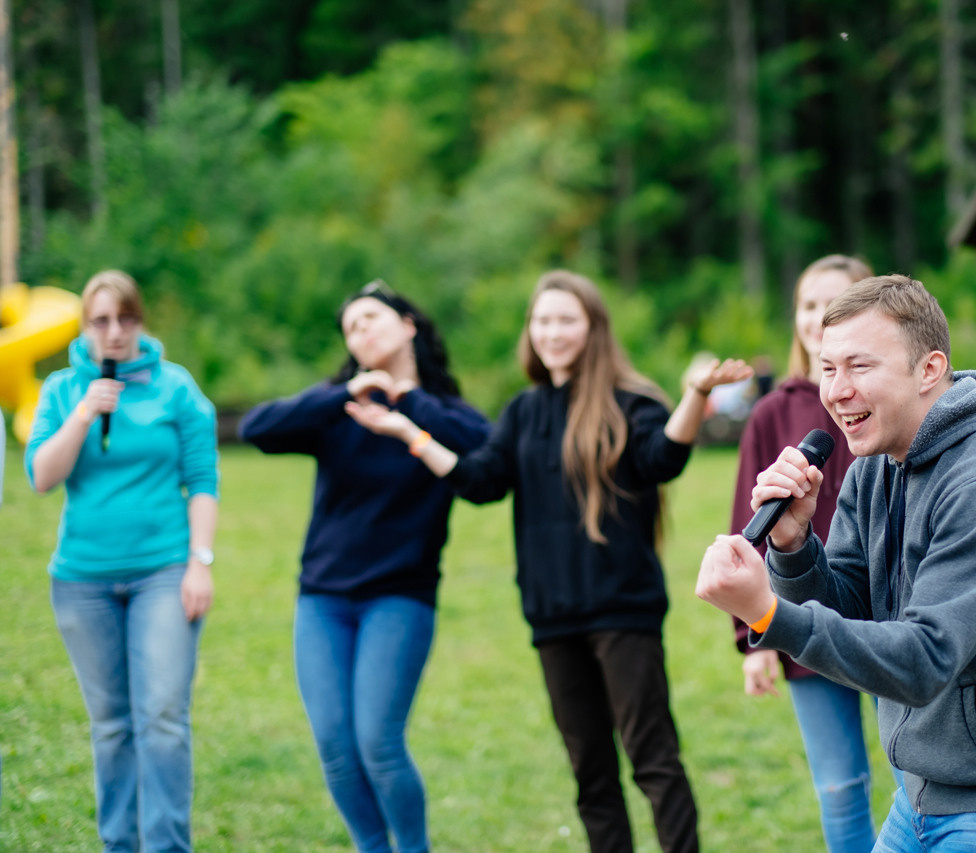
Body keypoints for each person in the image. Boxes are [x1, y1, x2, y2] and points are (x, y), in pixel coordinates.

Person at [697, 274, 976, 852]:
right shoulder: (877, 463)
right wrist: (792, 549)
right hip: (924, 790)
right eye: (828, 367)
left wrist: (766, 612)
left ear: (929, 370)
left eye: (860, 367)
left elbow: (923, 659)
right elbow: (850, 609)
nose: (837, 391)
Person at [346, 269, 753, 853]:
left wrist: (695, 395)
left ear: (592, 328)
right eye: (543, 320)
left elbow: (661, 458)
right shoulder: (522, 412)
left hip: (623, 611)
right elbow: (479, 479)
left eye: (566, 319)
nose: (552, 331)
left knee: (652, 761)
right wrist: (405, 429)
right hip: (553, 616)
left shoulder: (628, 402)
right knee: (591, 774)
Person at [238, 279, 488, 853]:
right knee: (335, 745)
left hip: (399, 597)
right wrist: (345, 394)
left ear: (408, 325)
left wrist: (406, 404)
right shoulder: (339, 409)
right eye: (350, 327)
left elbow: (485, 450)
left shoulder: (442, 413)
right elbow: (256, 428)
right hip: (323, 598)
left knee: (378, 741)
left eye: (370, 318)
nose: (360, 331)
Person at [26, 269, 219, 853]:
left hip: (163, 570)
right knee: (111, 727)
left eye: (126, 319)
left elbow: (202, 480)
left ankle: (165, 846)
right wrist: (84, 412)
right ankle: (120, 844)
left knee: (160, 718)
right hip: (83, 579)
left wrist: (199, 562)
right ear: (85, 326)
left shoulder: (175, 388)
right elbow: (41, 477)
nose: (115, 333)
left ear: (141, 322)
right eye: (102, 321)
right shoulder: (63, 390)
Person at [728, 255, 877, 852]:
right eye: (810, 304)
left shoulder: (888, 401)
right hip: (807, 616)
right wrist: (753, 636)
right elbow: (751, 524)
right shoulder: (772, 413)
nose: (819, 317)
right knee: (840, 787)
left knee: (920, 776)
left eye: (837, 303)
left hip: (891, 610)